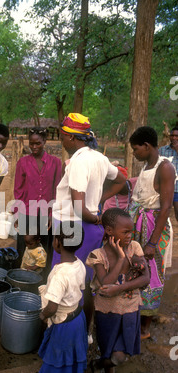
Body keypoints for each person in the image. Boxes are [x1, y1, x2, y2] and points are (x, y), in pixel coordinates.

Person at [52, 113, 126, 327]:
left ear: (72, 138)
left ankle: (63, 329)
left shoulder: (79, 162)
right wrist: (99, 201)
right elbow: (120, 180)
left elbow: (77, 207)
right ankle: (85, 331)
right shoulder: (99, 158)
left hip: (73, 228)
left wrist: (95, 217)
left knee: (64, 281)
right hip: (89, 229)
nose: (62, 141)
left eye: (63, 136)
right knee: (85, 282)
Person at [86, 208, 150, 373]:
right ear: (109, 231)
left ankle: (96, 366)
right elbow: (105, 283)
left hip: (130, 310)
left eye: (131, 232)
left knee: (121, 356)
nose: (130, 236)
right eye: (125, 232)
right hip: (107, 313)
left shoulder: (135, 248)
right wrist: (121, 258)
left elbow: (145, 278)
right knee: (109, 351)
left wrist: (121, 287)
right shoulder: (98, 255)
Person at [128, 126, 176, 339]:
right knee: (136, 271)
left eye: (136, 149)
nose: (134, 153)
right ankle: (136, 317)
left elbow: (165, 207)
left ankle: (145, 328)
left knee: (152, 276)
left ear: (147, 146)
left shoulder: (164, 168)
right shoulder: (147, 165)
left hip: (153, 229)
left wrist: (152, 243)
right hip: (140, 226)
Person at [37, 222, 88, 373]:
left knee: (66, 359)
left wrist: (42, 316)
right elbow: (81, 290)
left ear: (56, 242)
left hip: (65, 324)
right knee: (71, 357)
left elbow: (52, 306)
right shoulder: (79, 265)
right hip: (77, 317)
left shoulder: (59, 274)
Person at [13, 127, 62, 275]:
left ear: (45, 142)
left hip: (46, 214)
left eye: (38, 143)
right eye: (31, 143)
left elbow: (56, 190)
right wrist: (17, 214)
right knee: (24, 248)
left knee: (45, 249)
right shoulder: (22, 162)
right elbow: (18, 190)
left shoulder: (55, 163)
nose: (34, 147)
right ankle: (21, 279)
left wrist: (50, 213)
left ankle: (43, 282)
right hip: (27, 212)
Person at [159, 125, 178, 221]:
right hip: (165, 188)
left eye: (176, 136)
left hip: (177, 188)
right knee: (164, 212)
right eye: (172, 135)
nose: (174, 138)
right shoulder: (162, 150)